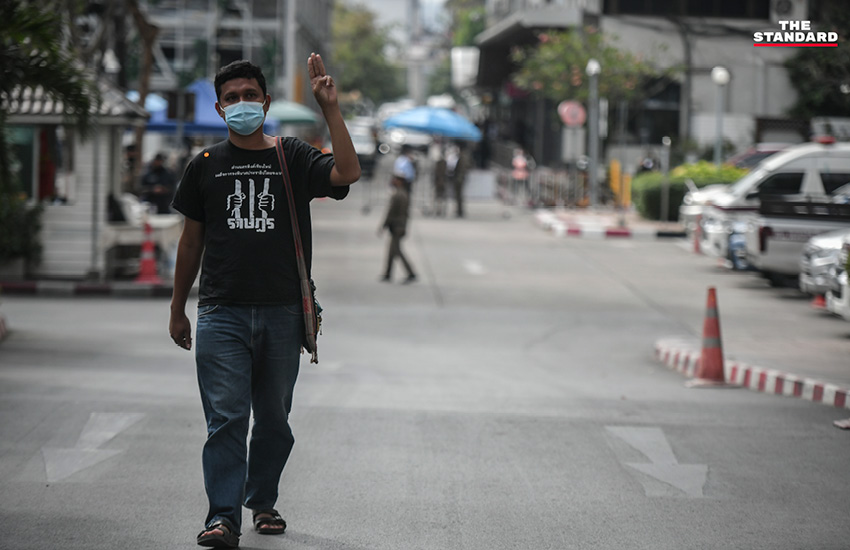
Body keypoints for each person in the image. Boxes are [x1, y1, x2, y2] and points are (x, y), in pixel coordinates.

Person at [168, 56, 360, 549]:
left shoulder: (291, 155)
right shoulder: (204, 164)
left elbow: (348, 172)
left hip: (281, 311)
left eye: (250, 95)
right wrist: (177, 307)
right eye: (231, 98)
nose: (241, 104)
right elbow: (191, 242)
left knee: (273, 420)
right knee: (226, 419)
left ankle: (263, 501)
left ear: (266, 102)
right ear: (219, 108)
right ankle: (222, 517)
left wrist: (330, 108)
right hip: (220, 312)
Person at [378, 174, 416, 283]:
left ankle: (411, 273)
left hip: (397, 227)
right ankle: (388, 273)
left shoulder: (398, 195)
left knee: (396, 250)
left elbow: (391, 212)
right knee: (391, 251)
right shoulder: (403, 194)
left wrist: (384, 225)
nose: (393, 181)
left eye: (395, 180)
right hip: (398, 226)